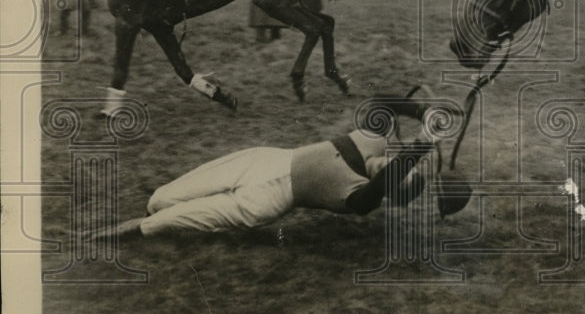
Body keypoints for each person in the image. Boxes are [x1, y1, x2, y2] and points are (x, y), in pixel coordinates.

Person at [91, 89, 451, 240]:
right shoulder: (373, 140)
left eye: (397, 181)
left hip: (263, 204)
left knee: (160, 220)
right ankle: (148, 219)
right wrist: (422, 111)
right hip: (263, 159)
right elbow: (380, 105)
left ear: (391, 190)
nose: (385, 169)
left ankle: (126, 233)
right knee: (158, 200)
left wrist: (425, 142)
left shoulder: (361, 198)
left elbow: (388, 177)